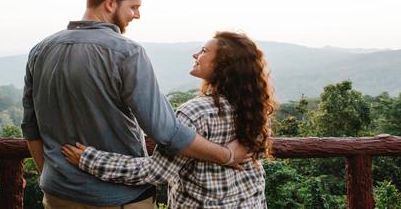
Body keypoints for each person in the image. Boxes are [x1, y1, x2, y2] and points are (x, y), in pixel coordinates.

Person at [21, 0, 251, 209]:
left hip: (57, 195)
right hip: (118, 198)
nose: (137, 15)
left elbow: (31, 127)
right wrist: (227, 155)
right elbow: (165, 131)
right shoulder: (127, 52)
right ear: (110, 3)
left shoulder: (40, 50)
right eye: (133, 7)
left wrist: (51, 176)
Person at [62, 31, 276, 208]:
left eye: (203, 51)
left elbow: (155, 172)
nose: (195, 54)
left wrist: (89, 159)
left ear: (224, 64)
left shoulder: (195, 112)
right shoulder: (254, 109)